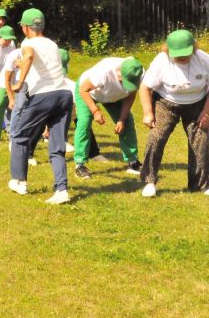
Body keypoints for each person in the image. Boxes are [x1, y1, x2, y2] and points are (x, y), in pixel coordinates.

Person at [8, 8, 73, 204]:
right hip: (64, 95)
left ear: (27, 27)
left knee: (19, 135)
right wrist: (22, 64)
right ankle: (61, 190)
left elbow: (28, 57)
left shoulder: (28, 42)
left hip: (43, 96)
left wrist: (19, 83)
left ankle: (20, 181)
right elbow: (36, 62)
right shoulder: (52, 44)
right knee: (57, 145)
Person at [138, 29, 209, 197]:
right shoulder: (161, 61)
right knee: (156, 137)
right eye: (177, 54)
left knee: (201, 140)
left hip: (197, 103)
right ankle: (149, 182)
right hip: (166, 103)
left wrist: (206, 113)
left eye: (186, 53)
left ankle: (200, 184)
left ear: (194, 48)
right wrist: (148, 113)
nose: (182, 58)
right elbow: (145, 87)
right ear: (167, 50)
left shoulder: (204, 59)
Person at [73, 57, 144, 179]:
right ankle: (80, 165)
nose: (126, 85)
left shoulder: (137, 72)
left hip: (113, 96)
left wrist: (121, 119)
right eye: (123, 81)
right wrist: (95, 111)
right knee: (84, 123)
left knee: (127, 122)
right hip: (89, 93)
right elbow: (83, 89)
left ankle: (132, 162)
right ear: (118, 72)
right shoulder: (104, 73)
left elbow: (131, 96)